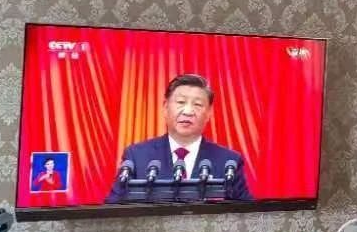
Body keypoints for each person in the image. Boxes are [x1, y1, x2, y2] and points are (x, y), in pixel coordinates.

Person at [105, 74, 252, 203]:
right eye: (181, 102)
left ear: (209, 113)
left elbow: (245, 215)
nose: (188, 111)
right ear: (165, 107)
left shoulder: (229, 161)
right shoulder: (137, 156)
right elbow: (112, 211)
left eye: (198, 104)